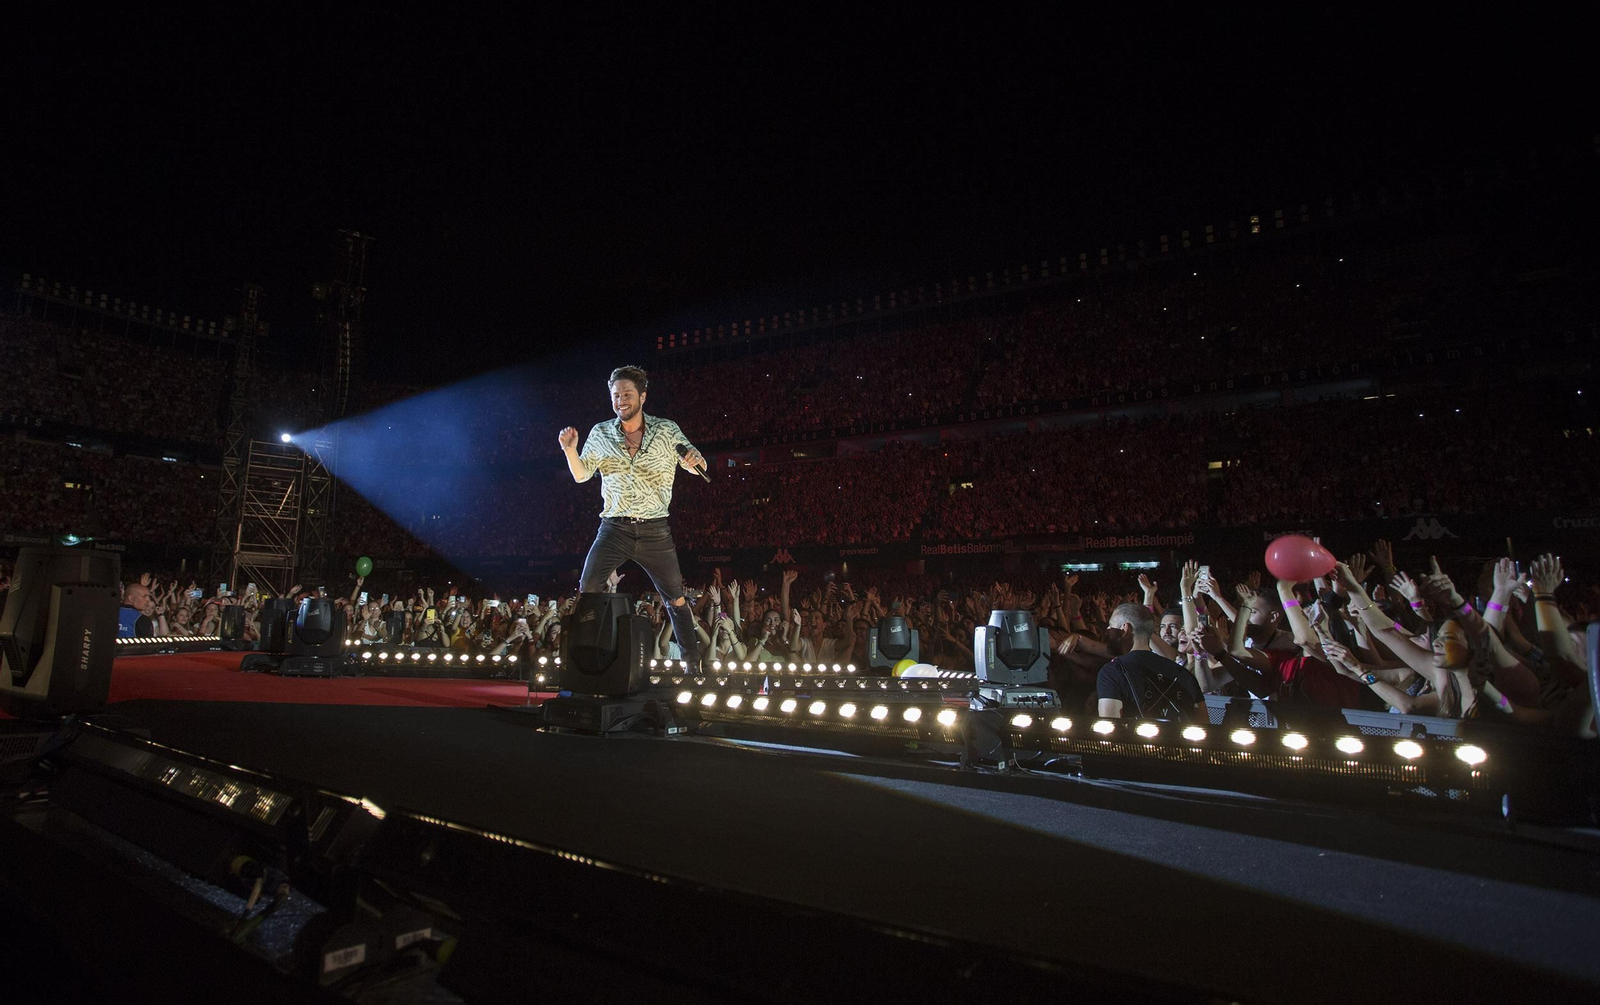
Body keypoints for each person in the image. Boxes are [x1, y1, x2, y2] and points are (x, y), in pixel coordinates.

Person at [558, 365, 709, 670]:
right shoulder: (600, 433)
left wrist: (694, 462)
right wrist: (571, 451)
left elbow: (695, 463)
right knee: (587, 587)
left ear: (642, 396)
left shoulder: (666, 430)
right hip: (614, 528)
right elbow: (582, 475)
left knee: (676, 599)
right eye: (616, 395)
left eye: (627, 394)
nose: (621, 400)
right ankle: (581, 659)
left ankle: (693, 665)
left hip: (655, 530)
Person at [1096, 602, 1203, 719]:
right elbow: (1204, 723)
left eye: (1111, 626)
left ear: (1125, 628)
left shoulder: (1112, 671)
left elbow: (1110, 726)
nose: (1107, 630)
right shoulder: (1184, 673)